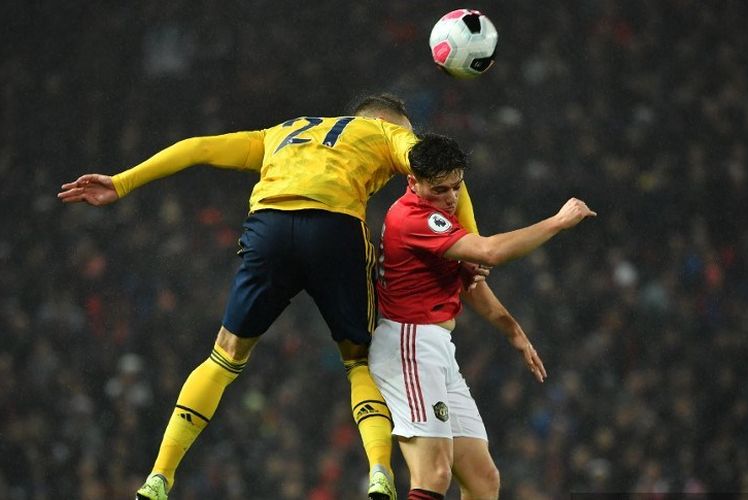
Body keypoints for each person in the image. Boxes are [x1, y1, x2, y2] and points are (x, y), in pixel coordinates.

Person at [57, 95, 484, 500]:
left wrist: (123, 182)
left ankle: (159, 476)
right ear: (382, 121)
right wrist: (472, 246)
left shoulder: (281, 131)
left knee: (223, 357)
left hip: (270, 230)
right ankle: (380, 471)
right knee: (358, 359)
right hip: (334, 230)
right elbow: (440, 169)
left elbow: (197, 147)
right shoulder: (385, 133)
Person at [368, 134, 596, 499]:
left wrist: (514, 332)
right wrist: (558, 221)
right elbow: (489, 252)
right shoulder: (413, 218)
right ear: (414, 182)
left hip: (436, 348)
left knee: (482, 478)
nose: (451, 198)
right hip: (409, 344)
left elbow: (469, 284)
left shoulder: (439, 216)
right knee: (434, 473)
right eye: (440, 189)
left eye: (456, 187)